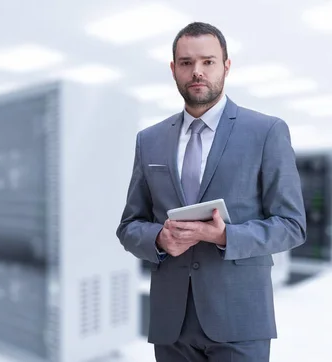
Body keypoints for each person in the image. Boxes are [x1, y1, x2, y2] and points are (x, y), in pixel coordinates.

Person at [115, 21, 306, 362]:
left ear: (226, 66)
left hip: (240, 319)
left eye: (208, 61)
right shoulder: (150, 140)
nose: (197, 72)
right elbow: (129, 226)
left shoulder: (266, 132)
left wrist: (224, 236)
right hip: (171, 322)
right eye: (186, 63)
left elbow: (292, 225)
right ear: (174, 70)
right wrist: (159, 239)